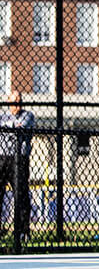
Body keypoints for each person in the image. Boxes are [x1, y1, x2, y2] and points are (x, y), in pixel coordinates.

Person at [0, 91, 35, 241]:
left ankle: (22, 231)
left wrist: (9, 127)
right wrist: (12, 127)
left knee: (20, 195)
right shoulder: (3, 116)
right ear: (8, 102)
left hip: (19, 158)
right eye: (14, 101)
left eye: (19, 101)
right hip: (2, 158)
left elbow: (21, 127)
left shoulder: (28, 115)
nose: (17, 104)